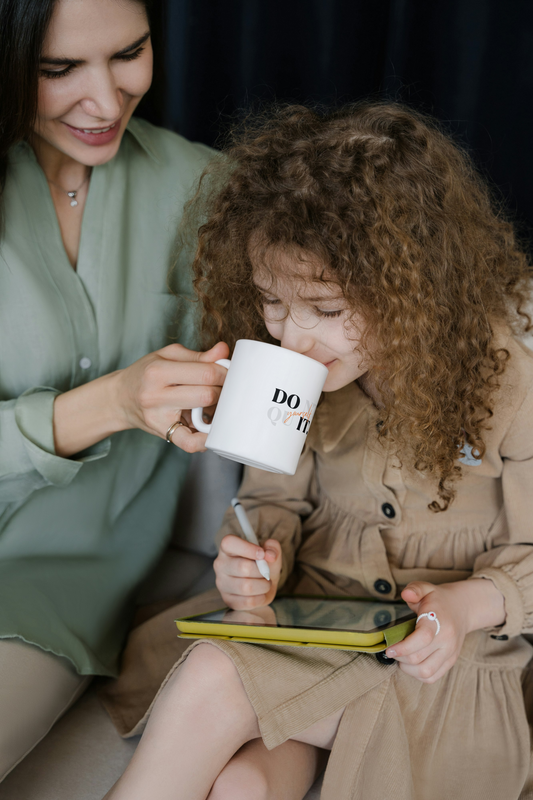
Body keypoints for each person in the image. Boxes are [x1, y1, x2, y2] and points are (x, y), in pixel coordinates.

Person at [104, 102, 533, 800]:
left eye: (326, 311)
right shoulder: (298, 382)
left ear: (413, 288)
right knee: (242, 786)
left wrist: (465, 607)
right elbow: (271, 501)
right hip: (319, 626)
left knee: (216, 675)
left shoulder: (510, 386)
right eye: (273, 301)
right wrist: (256, 559)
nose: (291, 337)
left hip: (443, 657)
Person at [0, 0, 228, 780]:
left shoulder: (205, 191)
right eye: (58, 70)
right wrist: (112, 404)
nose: (105, 101)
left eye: (128, 53)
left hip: (43, 586)